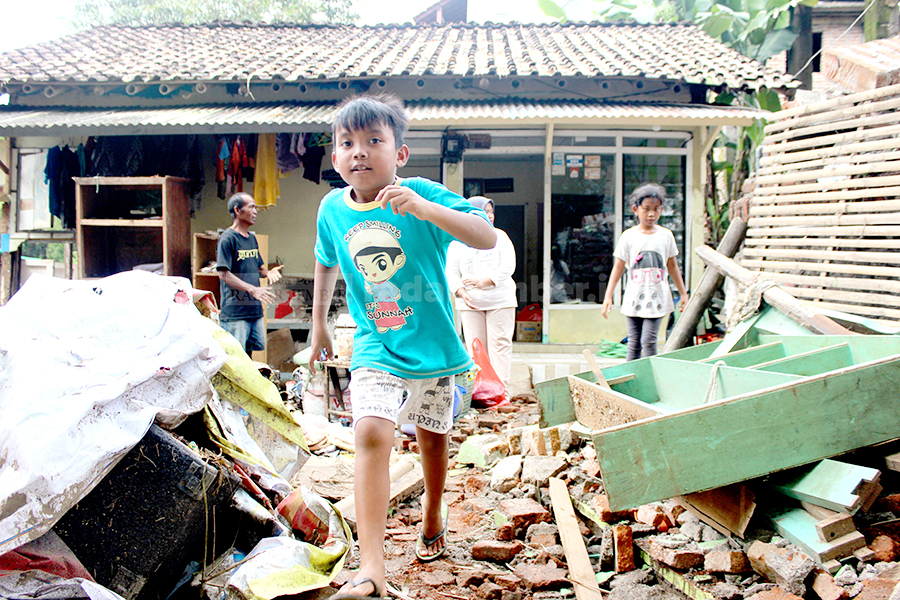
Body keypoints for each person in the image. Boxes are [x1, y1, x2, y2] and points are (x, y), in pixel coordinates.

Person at [309, 94, 496, 600]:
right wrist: (319, 325)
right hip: (376, 345)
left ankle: (433, 511)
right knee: (370, 430)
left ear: (400, 153)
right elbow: (327, 262)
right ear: (335, 157)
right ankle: (371, 569)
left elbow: (485, 236)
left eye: (374, 141)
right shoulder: (331, 208)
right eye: (348, 143)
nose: (360, 152)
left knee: (433, 440)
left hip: (435, 348)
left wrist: (425, 208)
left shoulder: (418, 193)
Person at [601, 183, 688, 361]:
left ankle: (650, 378)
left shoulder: (666, 235)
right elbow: (618, 267)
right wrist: (608, 296)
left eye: (656, 209)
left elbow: (672, 266)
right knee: (633, 342)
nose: (651, 214)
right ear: (636, 209)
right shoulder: (628, 236)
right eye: (646, 208)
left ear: (661, 210)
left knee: (649, 341)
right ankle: (630, 380)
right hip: (634, 296)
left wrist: (683, 293)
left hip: (658, 298)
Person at [445, 196, 517, 393]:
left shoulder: (500, 236)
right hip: (470, 303)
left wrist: (487, 281)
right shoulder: (457, 243)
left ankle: (502, 392)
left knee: (500, 346)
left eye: (491, 211)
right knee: (476, 348)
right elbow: (451, 272)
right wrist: (460, 292)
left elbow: (508, 265)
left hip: (500, 300)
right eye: (485, 211)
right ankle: (482, 391)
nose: (490, 216)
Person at [216, 192, 283, 354]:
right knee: (237, 359)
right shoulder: (227, 239)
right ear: (237, 210)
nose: (255, 211)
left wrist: (268, 273)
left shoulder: (251, 239)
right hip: (235, 313)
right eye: (251, 207)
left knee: (250, 354)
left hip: (254, 310)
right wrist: (253, 289)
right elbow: (223, 274)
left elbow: (258, 267)